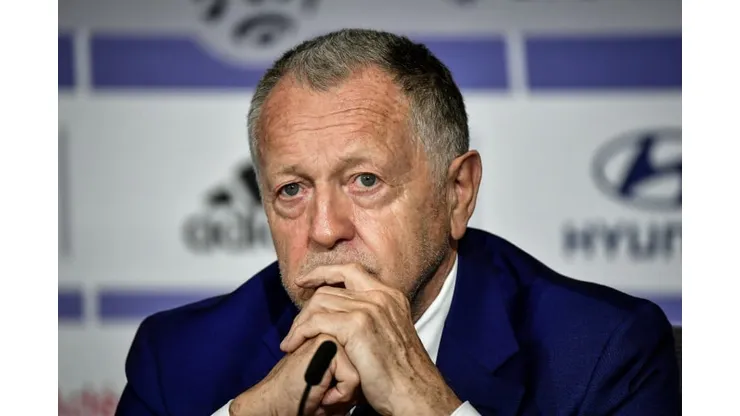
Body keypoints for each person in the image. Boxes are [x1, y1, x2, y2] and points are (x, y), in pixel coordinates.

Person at [115, 28, 681, 416]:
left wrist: (427, 405)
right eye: (292, 190)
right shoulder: (179, 358)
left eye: (365, 180)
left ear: (457, 193)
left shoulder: (602, 352)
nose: (324, 229)